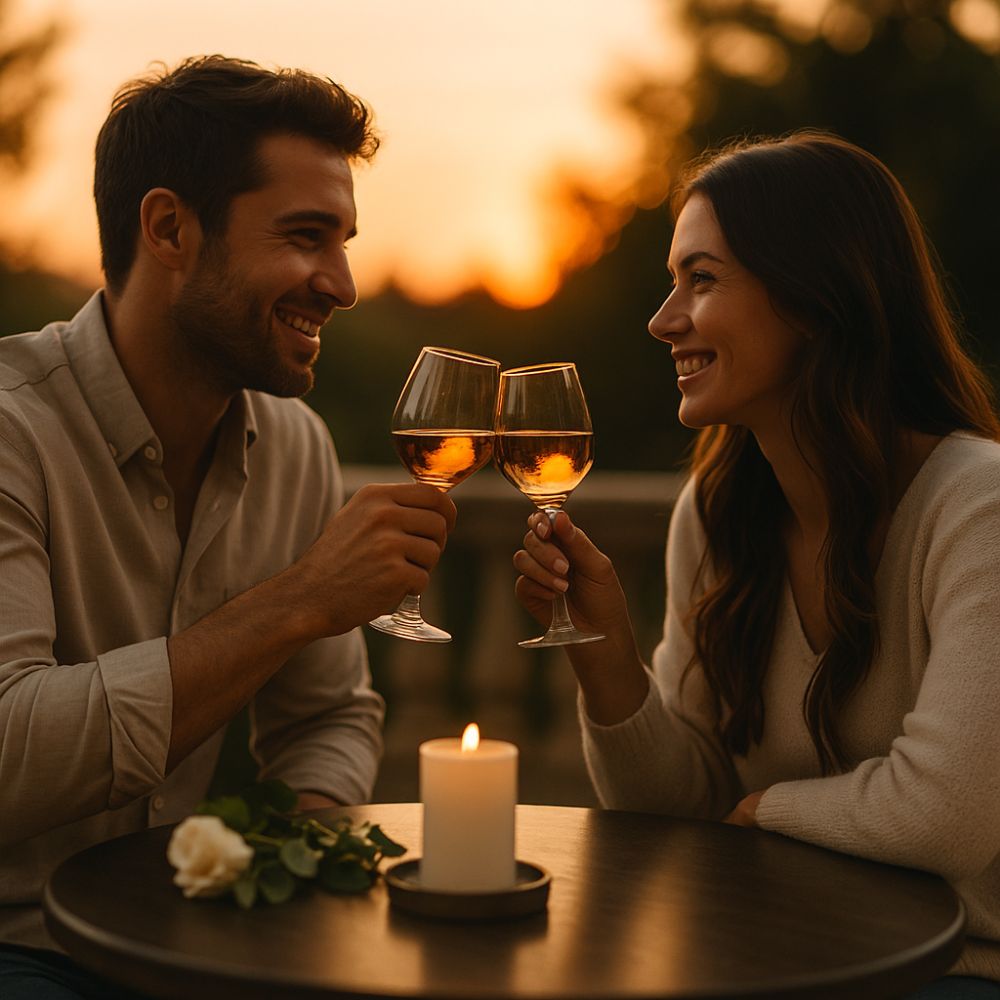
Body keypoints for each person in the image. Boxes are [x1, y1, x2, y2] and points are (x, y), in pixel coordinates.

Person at [0, 56, 455, 996]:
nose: (341, 283)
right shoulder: (12, 430)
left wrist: (295, 861)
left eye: (345, 242)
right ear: (169, 227)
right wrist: (302, 600)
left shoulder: (295, 446)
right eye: (305, 237)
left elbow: (329, 714)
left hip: (197, 945)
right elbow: (8, 749)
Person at [513, 131, 1000, 994]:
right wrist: (607, 663)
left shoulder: (977, 507)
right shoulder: (717, 512)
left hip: (960, 972)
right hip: (773, 961)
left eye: (701, 280)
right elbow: (677, 811)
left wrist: (760, 812)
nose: (664, 319)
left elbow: (949, 814)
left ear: (815, 299)